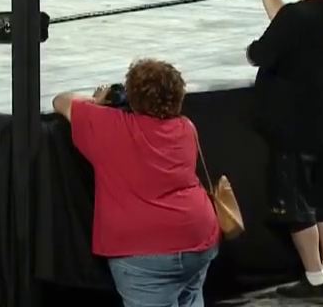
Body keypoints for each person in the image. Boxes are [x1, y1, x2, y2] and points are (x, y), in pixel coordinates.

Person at [52, 60, 220, 307]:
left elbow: (60, 101)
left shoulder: (108, 125)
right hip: (198, 238)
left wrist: (96, 101)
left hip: (143, 253)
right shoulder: (186, 128)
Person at [246, 0, 323, 303]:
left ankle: (316, 282)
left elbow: (260, 52)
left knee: (296, 203)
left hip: (293, 127)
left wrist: (251, 50)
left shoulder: (297, 18)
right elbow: (285, 19)